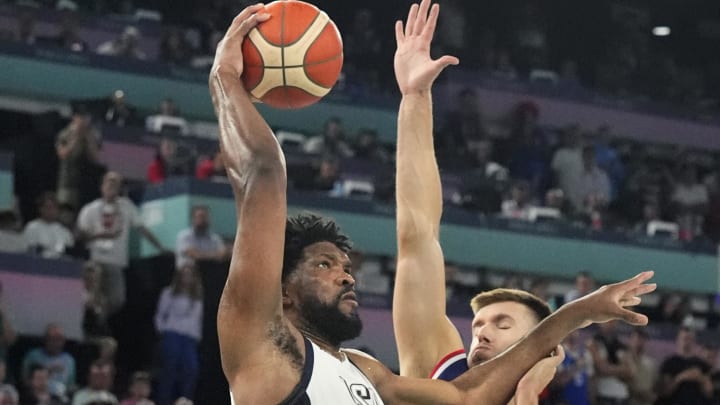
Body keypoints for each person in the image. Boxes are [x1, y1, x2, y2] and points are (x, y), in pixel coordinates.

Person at [209, 2, 655, 404]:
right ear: (281, 289)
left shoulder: (365, 372)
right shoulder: (267, 342)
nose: (347, 275)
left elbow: (468, 397)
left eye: (502, 326)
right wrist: (224, 78)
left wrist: (576, 316)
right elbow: (266, 176)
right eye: (325, 265)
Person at [76, 172, 169, 315]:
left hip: (116, 261)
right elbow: (80, 236)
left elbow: (142, 228)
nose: (112, 185)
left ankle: (98, 318)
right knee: (89, 299)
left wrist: (159, 247)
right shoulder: (90, 209)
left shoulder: (126, 206)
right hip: (95, 260)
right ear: (102, 186)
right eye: (109, 182)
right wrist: (101, 235)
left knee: (117, 300)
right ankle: (91, 322)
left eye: (116, 183)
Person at [153, 265, 203, 405]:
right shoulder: (169, 293)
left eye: (190, 275)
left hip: (190, 339)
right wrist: (163, 330)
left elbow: (197, 319)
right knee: (169, 370)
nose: (187, 278)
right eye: (184, 274)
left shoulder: (197, 297)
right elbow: (160, 314)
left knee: (191, 370)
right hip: (172, 335)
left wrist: (197, 336)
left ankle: (185, 401)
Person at [22, 192, 74, 258]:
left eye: (54, 207)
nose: (51, 211)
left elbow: (69, 254)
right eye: (48, 207)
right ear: (40, 209)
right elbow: (27, 250)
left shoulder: (65, 232)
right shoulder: (32, 227)